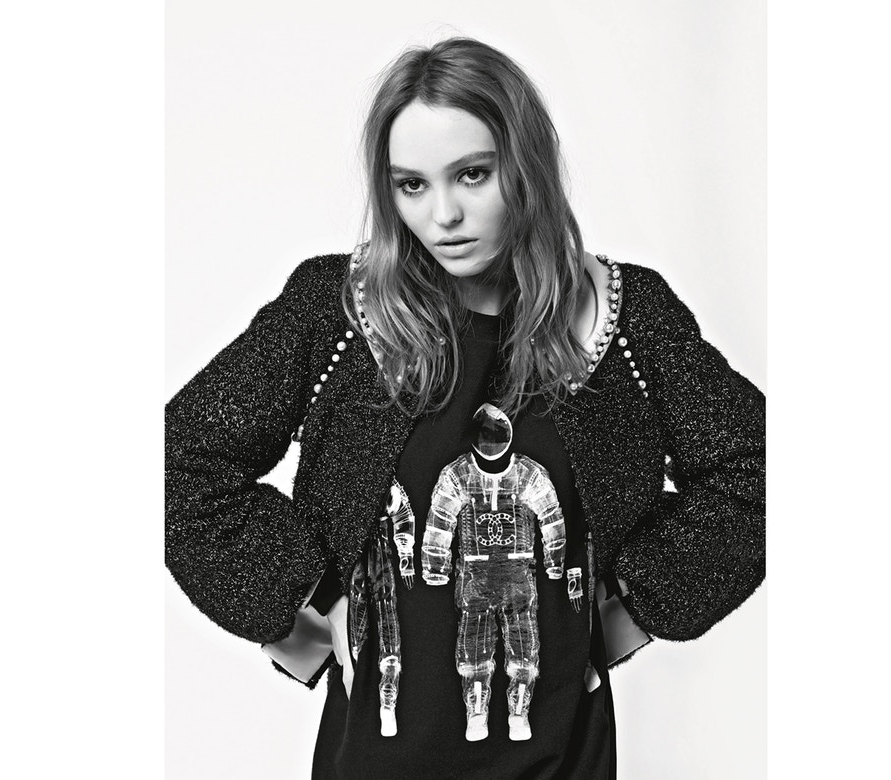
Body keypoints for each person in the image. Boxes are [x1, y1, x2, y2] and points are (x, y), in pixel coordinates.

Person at [165, 36, 765, 780]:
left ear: (526, 166)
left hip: (560, 755)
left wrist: (630, 611)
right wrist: (311, 605)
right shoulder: (338, 315)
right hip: (380, 757)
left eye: (473, 174)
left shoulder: (623, 319)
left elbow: (758, 473)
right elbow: (177, 464)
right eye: (411, 185)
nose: (443, 214)